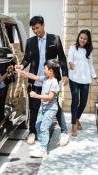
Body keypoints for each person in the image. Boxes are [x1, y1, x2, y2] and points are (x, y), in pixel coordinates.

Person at [15, 16, 69, 146]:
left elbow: (61, 58)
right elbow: (27, 58)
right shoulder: (30, 41)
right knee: (33, 108)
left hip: (50, 79)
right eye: (33, 29)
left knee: (54, 106)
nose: (35, 31)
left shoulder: (54, 39)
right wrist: (22, 65)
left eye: (37, 28)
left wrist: (65, 74)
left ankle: (64, 132)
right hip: (36, 79)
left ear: (43, 25)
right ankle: (32, 132)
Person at [16, 59, 60, 158]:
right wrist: (22, 72)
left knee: (44, 128)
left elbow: (50, 97)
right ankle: (41, 144)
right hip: (44, 108)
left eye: (45, 68)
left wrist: (36, 95)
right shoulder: (45, 79)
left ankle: (43, 150)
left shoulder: (54, 83)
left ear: (51, 71)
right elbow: (34, 77)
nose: (43, 70)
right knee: (37, 125)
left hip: (50, 109)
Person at [67, 29, 98, 136]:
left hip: (85, 80)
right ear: (78, 37)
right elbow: (69, 59)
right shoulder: (72, 48)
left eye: (85, 39)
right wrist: (70, 64)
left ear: (88, 40)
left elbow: (91, 65)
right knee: (75, 100)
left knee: (83, 102)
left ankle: (77, 118)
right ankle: (73, 125)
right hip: (74, 79)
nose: (82, 40)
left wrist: (95, 78)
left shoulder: (88, 51)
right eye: (81, 37)